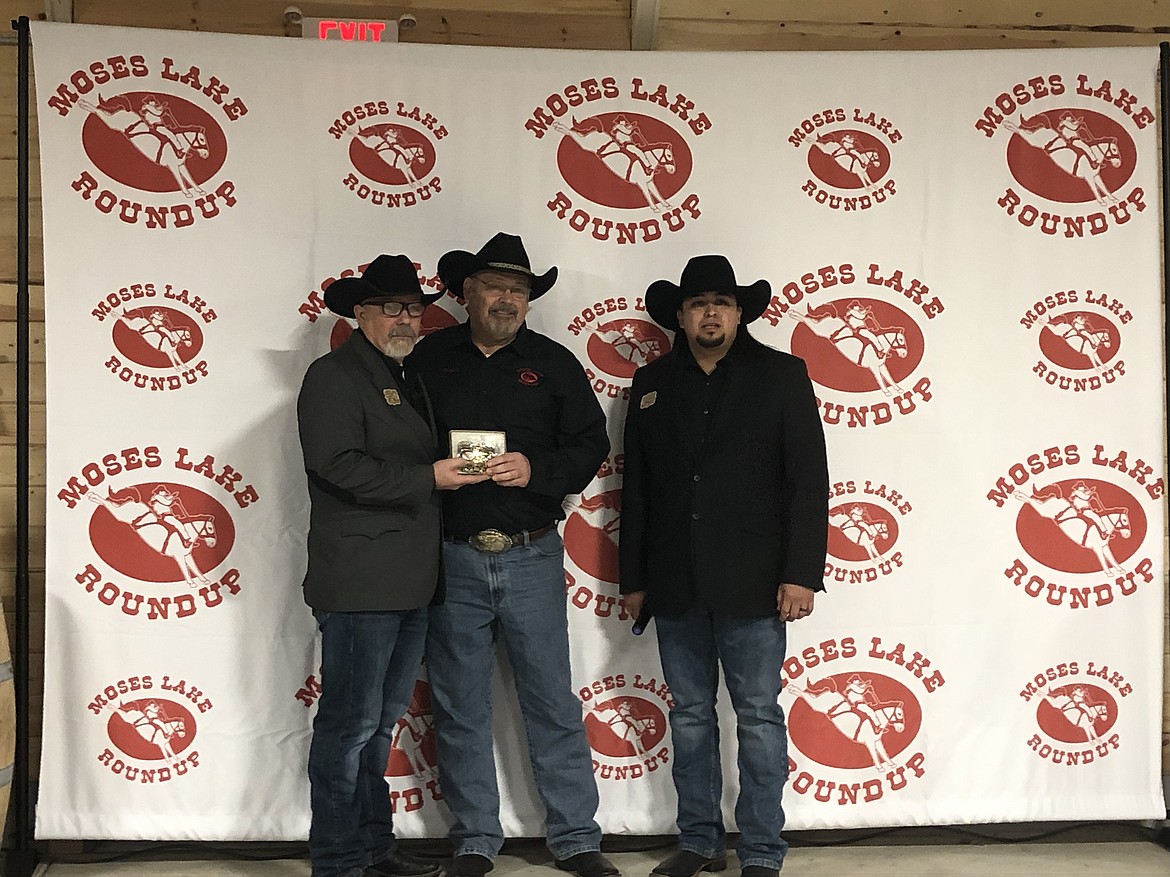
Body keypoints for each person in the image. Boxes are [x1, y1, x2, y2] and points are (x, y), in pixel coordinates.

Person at [409, 233, 617, 877]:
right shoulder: (426, 359)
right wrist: (431, 471)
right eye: (495, 287)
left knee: (552, 699)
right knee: (459, 703)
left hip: (530, 554)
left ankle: (577, 837)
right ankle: (474, 839)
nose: (507, 299)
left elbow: (589, 444)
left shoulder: (553, 362)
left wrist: (537, 469)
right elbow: (395, 441)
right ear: (466, 293)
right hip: (450, 556)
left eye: (519, 290)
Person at [619, 255, 829, 877]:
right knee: (688, 716)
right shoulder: (651, 384)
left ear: (739, 313)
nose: (709, 313)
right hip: (675, 580)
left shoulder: (783, 375)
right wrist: (635, 579)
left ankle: (763, 850)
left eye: (722, 303)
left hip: (758, 582)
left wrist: (801, 572)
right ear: (680, 316)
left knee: (759, 716)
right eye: (697, 304)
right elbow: (641, 489)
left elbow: (808, 482)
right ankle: (700, 843)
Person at [297, 254, 485, 877]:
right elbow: (336, 463)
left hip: (408, 580)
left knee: (377, 729)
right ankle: (338, 860)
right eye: (390, 308)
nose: (406, 318)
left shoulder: (404, 377)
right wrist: (427, 477)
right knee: (349, 727)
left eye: (412, 308)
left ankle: (373, 850)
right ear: (360, 313)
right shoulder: (334, 376)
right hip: (359, 581)